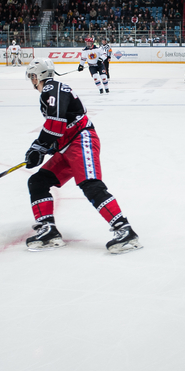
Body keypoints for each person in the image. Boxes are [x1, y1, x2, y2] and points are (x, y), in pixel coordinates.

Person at [23, 58, 142, 254]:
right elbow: (60, 128)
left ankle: (125, 230)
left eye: (32, 77)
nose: (32, 81)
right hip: (68, 146)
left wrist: (39, 147)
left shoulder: (51, 89)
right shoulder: (51, 90)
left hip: (81, 140)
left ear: (39, 76)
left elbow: (56, 123)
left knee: (90, 184)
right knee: (38, 181)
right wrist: (47, 148)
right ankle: (48, 230)